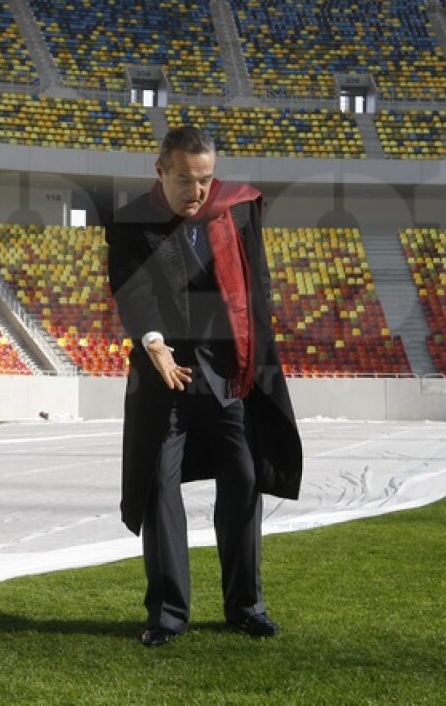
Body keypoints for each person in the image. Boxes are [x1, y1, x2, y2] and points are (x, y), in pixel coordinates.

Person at [106, 126, 303, 647]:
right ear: (160, 171)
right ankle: (168, 615)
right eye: (187, 180)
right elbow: (132, 290)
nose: (198, 192)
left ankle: (246, 606)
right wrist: (154, 344)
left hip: (229, 376)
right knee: (158, 488)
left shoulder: (237, 209)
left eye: (206, 179)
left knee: (244, 478)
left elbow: (254, 287)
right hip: (162, 376)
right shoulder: (131, 221)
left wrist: (257, 358)